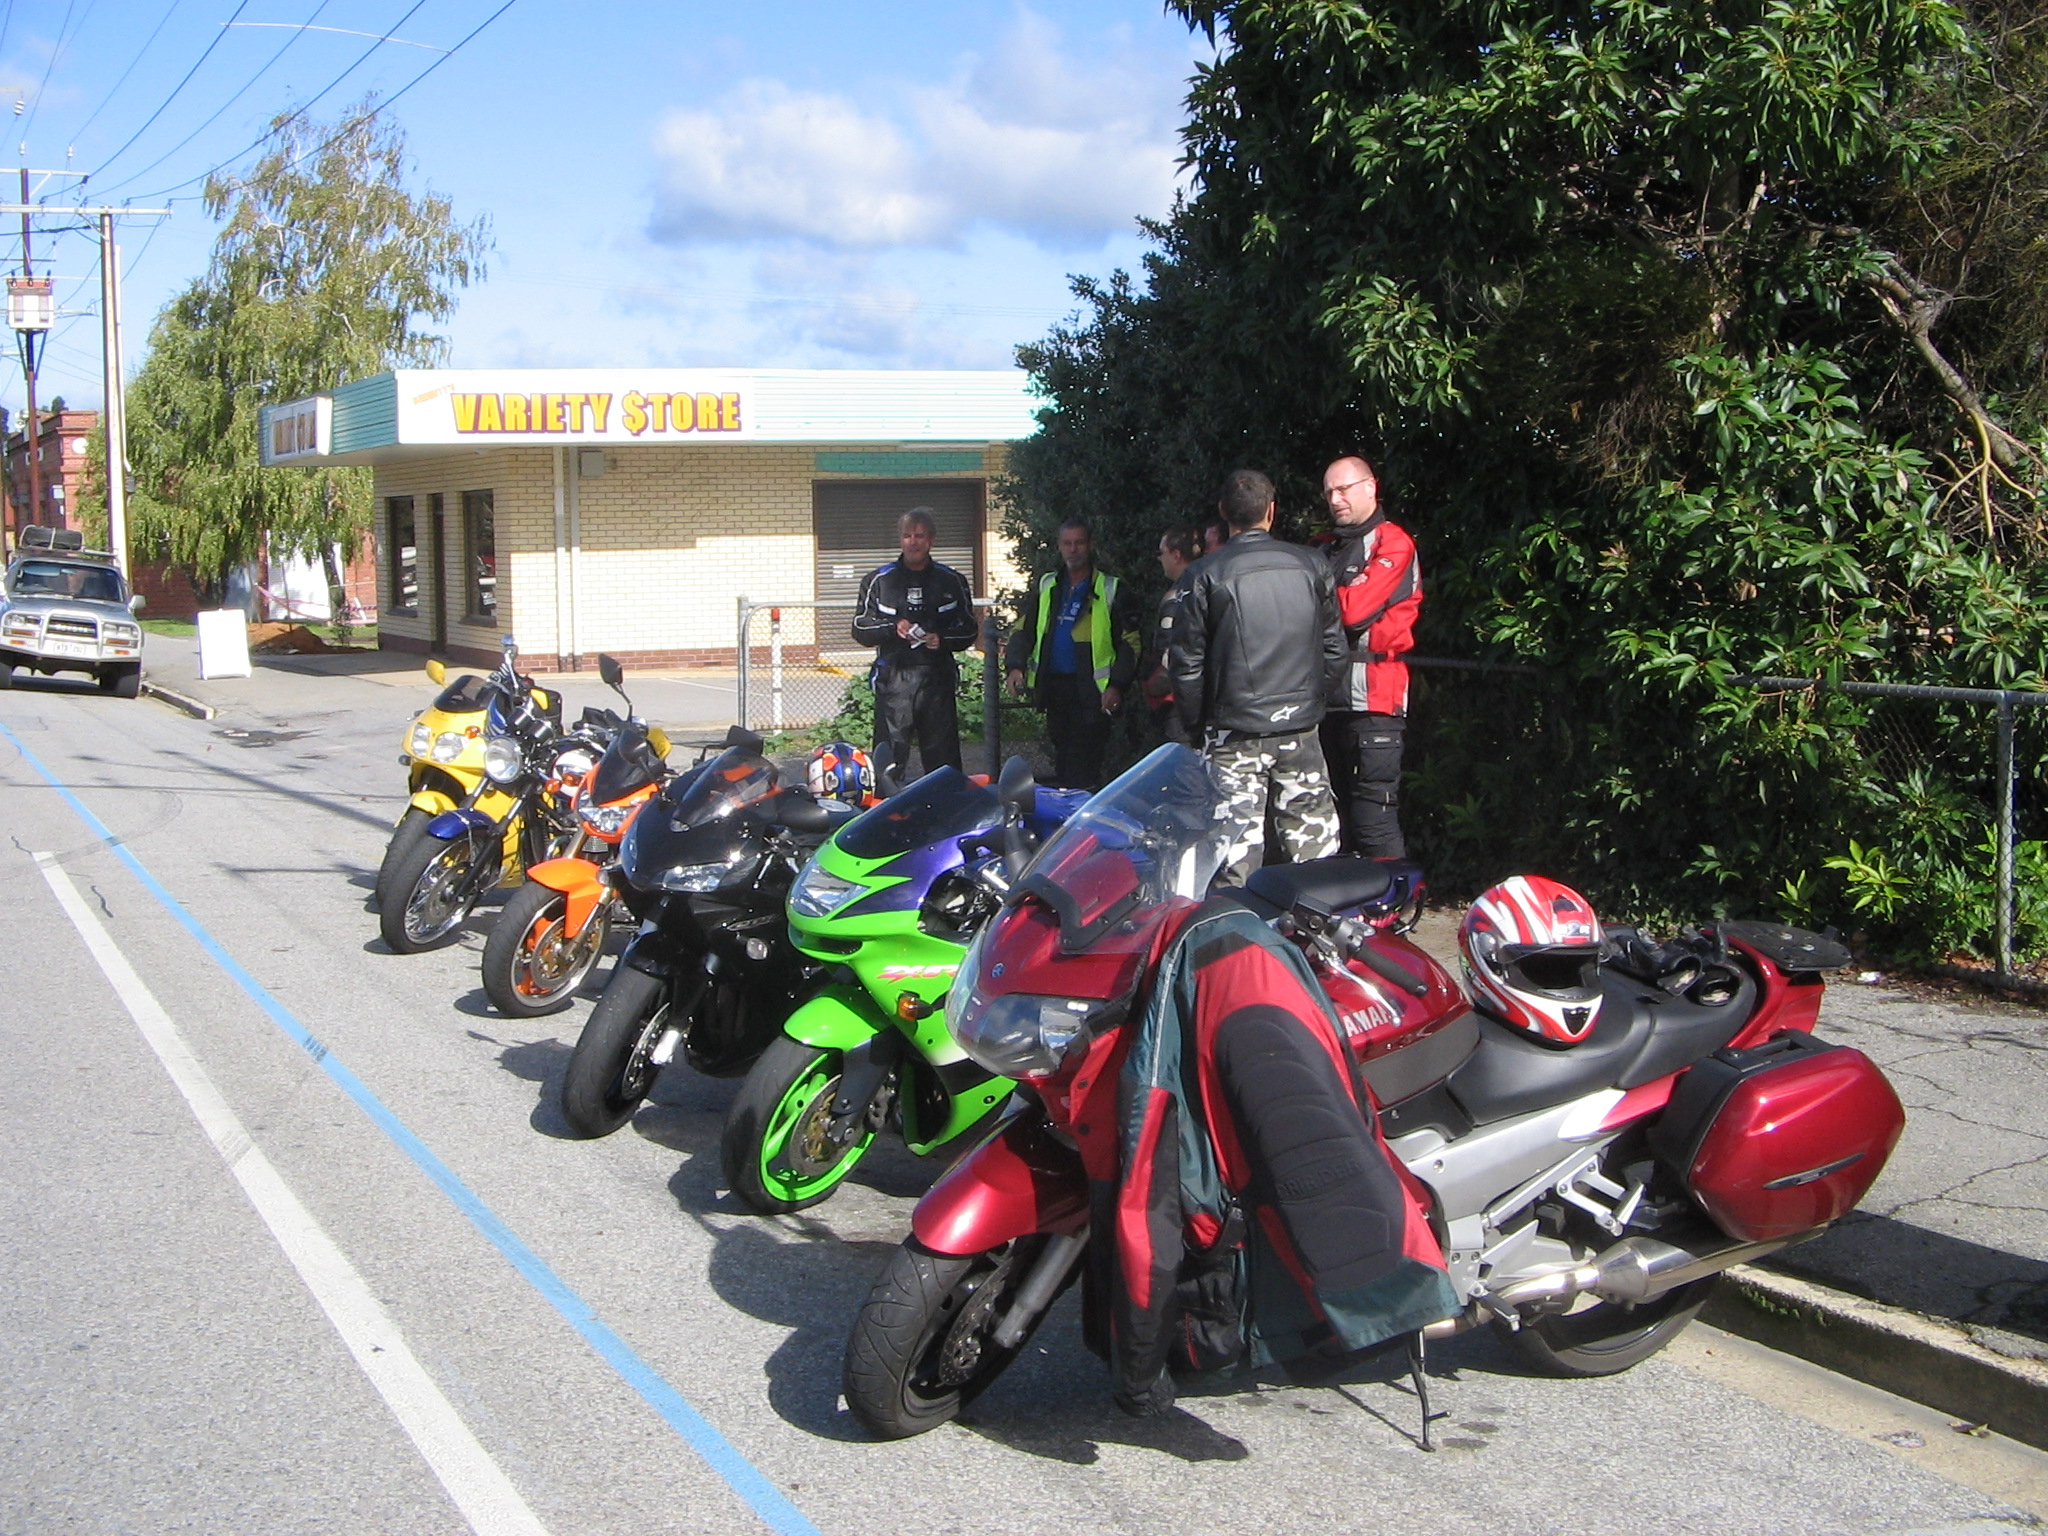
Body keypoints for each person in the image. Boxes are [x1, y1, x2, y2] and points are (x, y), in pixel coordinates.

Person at [1170, 469, 1345, 887]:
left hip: (1234, 731)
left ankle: (1236, 927)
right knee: (1315, 854)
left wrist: (1197, 728)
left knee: (1233, 856)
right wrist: (1311, 701)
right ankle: (1316, 926)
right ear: (1272, 510)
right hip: (1300, 728)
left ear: (1223, 511)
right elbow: (1335, 651)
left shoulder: (1204, 573)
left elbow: (1186, 664)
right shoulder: (1311, 564)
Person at [1315, 454, 1420, 858]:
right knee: (1332, 825)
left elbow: (1353, 612)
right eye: (1329, 492)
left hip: (1375, 702)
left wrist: (1321, 599)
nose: (1335, 500)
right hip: (1326, 703)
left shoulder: (1393, 542)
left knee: (1373, 821)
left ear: (1371, 488)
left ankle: (1396, 897)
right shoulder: (1324, 548)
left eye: (1343, 489)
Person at [1006, 518, 1139, 789]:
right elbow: (1023, 629)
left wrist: (1117, 685)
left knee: (1084, 766)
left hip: (1092, 692)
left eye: (1079, 543)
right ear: (1059, 547)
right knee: (1064, 763)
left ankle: (1082, 812)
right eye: (1067, 543)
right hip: (1055, 689)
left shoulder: (1111, 588)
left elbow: (1130, 643)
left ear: (1090, 546)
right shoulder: (1048, 585)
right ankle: (1068, 810)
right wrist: (1015, 666)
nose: (1073, 549)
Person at [852, 508, 979, 775]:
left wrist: (941, 639)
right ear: (900, 539)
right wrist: (892, 628)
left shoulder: (952, 580)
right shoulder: (878, 580)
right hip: (894, 680)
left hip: (937, 680)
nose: (913, 542)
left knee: (943, 764)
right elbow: (860, 628)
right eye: (907, 536)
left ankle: (945, 802)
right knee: (888, 763)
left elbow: (969, 630)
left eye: (920, 536)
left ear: (931, 539)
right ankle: (886, 801)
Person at [1139, 526, 1202, 744]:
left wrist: (1153, 687)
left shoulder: (1177, 598)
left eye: (1161, 552)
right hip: (1203, 701)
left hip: (1178, 704)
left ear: (1176, 555)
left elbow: (1170, 658)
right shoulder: (1206, 588)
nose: (1159, 559)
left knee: (1184, 759)